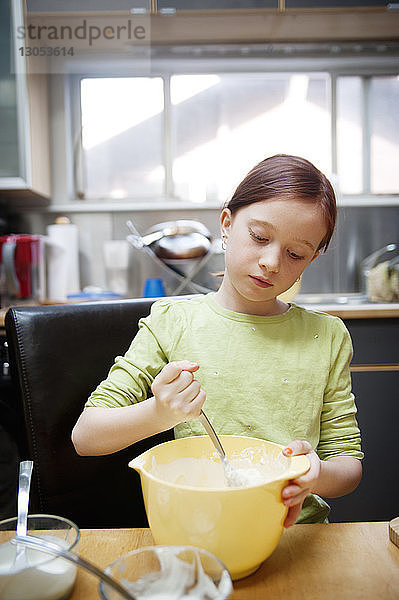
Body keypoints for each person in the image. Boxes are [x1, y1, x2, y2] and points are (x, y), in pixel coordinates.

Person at [72, 154, 363, 528]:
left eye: (295, 254)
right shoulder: (172, 322)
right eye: (259, 237)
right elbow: (86, 436)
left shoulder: (328, 336)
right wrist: (159, 414)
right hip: (201, 528)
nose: (271, 262)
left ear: (313, 258)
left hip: (297, 537)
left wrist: (313, 472)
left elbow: (348, 466)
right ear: (226, 224)